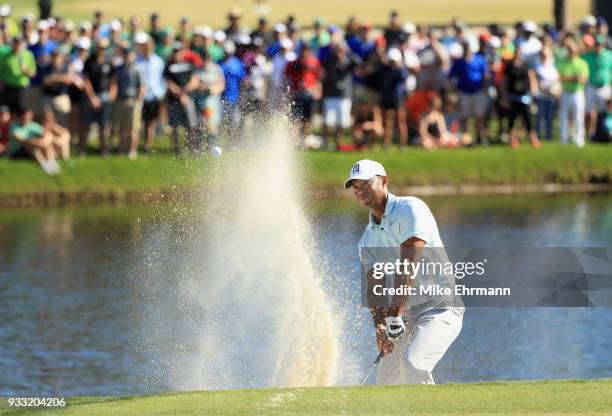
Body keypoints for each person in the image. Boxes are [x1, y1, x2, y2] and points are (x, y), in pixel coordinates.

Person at [345, 159, 463, 384]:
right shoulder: (367, 241)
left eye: (365, 183)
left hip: (440, 307)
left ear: (384, 181)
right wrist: (381, 326)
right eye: (355, 186)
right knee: (386, 382)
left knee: (414, 364)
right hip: (403, 314)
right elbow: (376, 290)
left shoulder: (411, 208)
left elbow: (409, 265)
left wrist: (395, 316)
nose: (360, 190)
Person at [448, 41, 490, 145]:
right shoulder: (459, 62)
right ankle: (467, 139)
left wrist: (485, 88)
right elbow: (451, 77)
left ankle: (481, 138)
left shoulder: (479, 59)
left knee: (479, 117)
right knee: (465, 117)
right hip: (464, 92)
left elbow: (486, 74)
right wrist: (454, 90)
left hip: (478, 92)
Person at [81, 38, 115, 156]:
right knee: (86, 124)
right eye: (100, 47)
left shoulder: (108, 61)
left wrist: (112, 93)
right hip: (91, 96)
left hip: (105, 95)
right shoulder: (89, 61)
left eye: (104, 48)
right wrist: (92, 97)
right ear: (96, 48)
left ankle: (103, 150)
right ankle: (82, 150)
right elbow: (86, 81)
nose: (102, 50)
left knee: (104, 125)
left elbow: (113, 79)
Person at [164, 41, 199, 155]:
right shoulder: (168, 65)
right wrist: (181, 95)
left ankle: (191, 147)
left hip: (188, 99)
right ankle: (177, 149)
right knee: (175, 126)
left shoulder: (189, 64)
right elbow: (168, 83)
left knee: (191, 124)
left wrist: (184, 93)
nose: (176, 53)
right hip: (174, 100)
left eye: (178, 51)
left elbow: (194, 80)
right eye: (174, 51)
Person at [500, 50, 541, 148]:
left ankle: (532, 137)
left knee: (527, 116)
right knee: (512, 117)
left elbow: (531, 77)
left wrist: (533, 91)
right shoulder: (509, 67)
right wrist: (504, 96)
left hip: (524, 96)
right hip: (512, 96)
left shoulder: (525, 66)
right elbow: (504, 81)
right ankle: (512, 139)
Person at [111, 46, 145, 159]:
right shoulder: (119, 68)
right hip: (121, 100)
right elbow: (115, 83)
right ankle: (121, 148)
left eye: (129, 54)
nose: (128, 57)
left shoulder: (137, 69)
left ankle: (132, 150)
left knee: (133, 128)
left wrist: (139, 101)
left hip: (133, 100)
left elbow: (142, 86)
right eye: (126, 54)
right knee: (122, 127)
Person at [135, 33, 166, 153]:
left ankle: (147, 144)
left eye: (149, 46)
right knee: (141, 122)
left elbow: (162, 79)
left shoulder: (158, 61)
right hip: (141, 96)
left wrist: (161, 92)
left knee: (151, 122)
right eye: (145, 46)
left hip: (154, 95)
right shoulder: (138, 61)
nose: (147, 49)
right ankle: (139, 143)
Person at [9, 108, 60, 174]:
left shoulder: (32, 125)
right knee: (33, 147)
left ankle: (53, 165)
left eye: (29, 116)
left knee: (47, 146)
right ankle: (45, 167)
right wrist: (34, 142)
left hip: (31, 149)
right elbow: (20, 140)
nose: (28, 118)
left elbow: (47, 134)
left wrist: (43, 142)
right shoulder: (14, 126)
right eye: (26, 116)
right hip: (17, 152)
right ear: (20, 116)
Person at [557, 42, 589, 147]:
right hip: (566, 92)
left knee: (578, 117)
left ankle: (579, 139)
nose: (571, 52)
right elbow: (561, 77)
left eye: (573, 50)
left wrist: (570, 78)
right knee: (564, 117)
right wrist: (574, 78)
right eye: (569, 50)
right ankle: (563, 139)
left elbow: (583, 79)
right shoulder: (562, 62)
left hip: (577, 93)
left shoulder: (582, 63)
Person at [581, 35, 612, 139]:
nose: (598, 47)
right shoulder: (588, 56)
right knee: (589, 111)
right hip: (591, 86)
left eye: (600, 44)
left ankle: (604, 132)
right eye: (597, 44)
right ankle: (589, 133)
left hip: (604, 86)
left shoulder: (609, 56)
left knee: (604, 112)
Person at [380, 48, 408, 150]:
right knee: (387, 121)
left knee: (400, 121)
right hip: (387, 97)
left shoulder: (401, 70)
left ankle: (402, 144)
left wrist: (398, 66)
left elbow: (403, 77)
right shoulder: (386, 69)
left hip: (398, 98)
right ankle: (386, 143)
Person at [0, 36, 36, 114]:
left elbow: (33, 74)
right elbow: (1, 72)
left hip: (22, 88)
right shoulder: (5, 55)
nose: (17, 46)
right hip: (8, 88)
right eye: (16, 43)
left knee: (21, 111)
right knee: (8, 112)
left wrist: (25, 70)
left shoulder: (28, 55)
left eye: (19, 44)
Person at [534, 47, 560, 141]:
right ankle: (537, 135)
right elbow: (537, 82)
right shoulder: (538, 67)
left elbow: (557, 82)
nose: (545, 57)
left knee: (549, 117)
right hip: (541, 96)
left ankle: (549, 135)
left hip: (551, 97)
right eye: (543, 55)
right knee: (540, 116)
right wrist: (546, 90)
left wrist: (556, 92)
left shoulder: (553, 69)